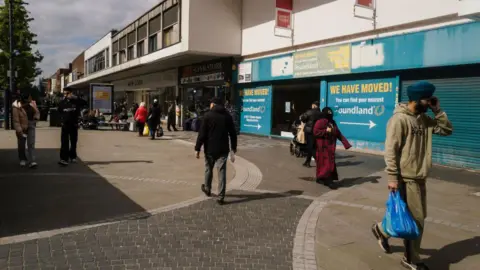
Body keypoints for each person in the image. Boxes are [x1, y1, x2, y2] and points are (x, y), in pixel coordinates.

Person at [371, 81, 452, 270]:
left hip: (419, 176)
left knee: (409, 216)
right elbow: (391, 150)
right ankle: (411, 258)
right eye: (427, 99)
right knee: (417, 219)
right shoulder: (399, 120)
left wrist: (438, 111)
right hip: (406, 178)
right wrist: (392, 177)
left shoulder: (424, 119)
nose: (430, 102)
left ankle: (382, 230)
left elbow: (446, 130)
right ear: (416, 99)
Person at [195, 97, 237, 205]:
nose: (210, 105)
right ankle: (221, 196)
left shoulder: (208, 116)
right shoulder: (227, 116)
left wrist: (197, 148)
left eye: (210, 103)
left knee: (208, 169)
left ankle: (207, 189)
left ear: (213, 104)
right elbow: (233, 133)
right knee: (221, 171)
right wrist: (233, 149)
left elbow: (202, 134)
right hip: (223, 149)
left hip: (210, 148)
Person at [313, 107, 351, 189]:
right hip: (322, 148)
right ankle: (328, 181)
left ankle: (321, 178)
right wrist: (326, 131)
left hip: (330, 147)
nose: (330, 115)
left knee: (327, 164)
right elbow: (315, 132)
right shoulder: (320, 122)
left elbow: (338, 133)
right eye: (328, 114)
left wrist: (346, 143)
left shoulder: (332, 122)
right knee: (326, 164)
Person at [58, 87, 87, 166]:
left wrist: (76, 97)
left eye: (67, 93)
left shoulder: (76, 101)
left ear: (71, 93)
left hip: (74, 124)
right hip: (65, 124)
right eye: (64, 93)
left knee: (73, 141)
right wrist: (61, 120)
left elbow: (85, 103)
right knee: (64, 142)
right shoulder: (62, 102)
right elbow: (59, 112)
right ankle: (63, 158)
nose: (65, 95)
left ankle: (73, 156)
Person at [12, 93, 40, 168]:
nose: (31, 99)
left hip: (31, 125)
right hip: (22, 127)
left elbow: (37, 112)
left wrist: (36, 118)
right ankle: (22, 159)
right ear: (25, 99)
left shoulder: (32, 104)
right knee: (21, 144)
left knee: (31, 143)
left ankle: (32, 160)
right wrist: (19, 130)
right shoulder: (16, 107)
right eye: (29, 98)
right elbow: (16, 121)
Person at [300, 101, 323, 167]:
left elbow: (303, 118)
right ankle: (307, 161)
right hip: (317, 132)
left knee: (311, 147)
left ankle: (318, 162)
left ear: (314, 105)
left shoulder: (309, 112)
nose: (312, 106)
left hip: (309, 132)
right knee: (313, 147)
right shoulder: (321, 114)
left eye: (312, 105)